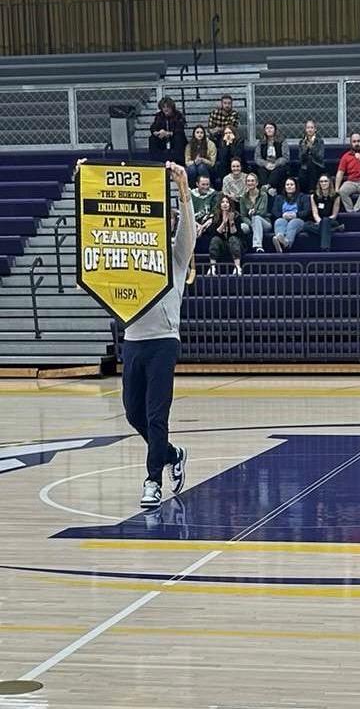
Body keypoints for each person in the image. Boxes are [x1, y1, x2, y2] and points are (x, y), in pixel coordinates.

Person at [122, 161, 195, 509]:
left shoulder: (177, 257)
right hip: (133, 339)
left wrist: (183, 187)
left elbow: (189, 231)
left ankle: (152, 481)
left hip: (164, 341)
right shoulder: (130, 255)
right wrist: (84, 187)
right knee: (133, 414)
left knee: (155, 415)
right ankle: (172, 453)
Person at [304, 174, 342, 251]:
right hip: (319, 221)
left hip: (331, 221)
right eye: (321, 181)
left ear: (329, 183)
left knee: (325, 220)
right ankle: (334, 229)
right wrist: (320, 222)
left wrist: (324, 222)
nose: (323, 183)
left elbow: (334, 215)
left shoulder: (336, 196)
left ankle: (325, 248)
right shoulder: (313, 196)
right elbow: (315, 213)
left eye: (325, 181)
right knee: (305, 225)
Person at [207, 195, 243, 276]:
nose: (225, 204)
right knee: (215, 240)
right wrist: (223, 223)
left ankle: (237, 267)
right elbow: (214, 233)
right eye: (223, 202)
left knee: (233, 239)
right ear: (219, 204)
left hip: (235, 243)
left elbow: (236, 234)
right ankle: (212, 267)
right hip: (222, 243)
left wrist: (231, 221)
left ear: (230, 205)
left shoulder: (236, 216)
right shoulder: (216, 216)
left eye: (227, 202)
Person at [271, 177, 310, 252]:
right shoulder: (279, 198)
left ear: (296, 186)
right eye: (287, 184)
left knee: (293, 222)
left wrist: (296, 215)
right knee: (279, 221)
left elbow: (307, 211)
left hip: (298, 220)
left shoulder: (303, 197)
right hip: (284, 219)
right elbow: (274, 211)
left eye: (291, 184)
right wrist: (282, 215)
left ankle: (287, 242)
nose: (289, 186)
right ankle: (279, 238)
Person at [254, 121, 290, 196]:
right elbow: (257, 157)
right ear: (264, 130)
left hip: (278, 165)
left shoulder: (282, 141)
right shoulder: (261, 142)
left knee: (277, 171)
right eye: (267, 128)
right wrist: (266, 164)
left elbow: (286, 157)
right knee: (261, 170)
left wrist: (275, 164)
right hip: (265, 165)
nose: (269, 130)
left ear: (275, 130)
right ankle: (270, 190)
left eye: (271, 128)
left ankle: (267, 187)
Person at [148, 97, 187, 165]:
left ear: (172, 107)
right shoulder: (159, 115)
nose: (166, 109)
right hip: (162, 139)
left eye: (168, 107)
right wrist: (157, 133)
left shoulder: (178, 115)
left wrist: (168, 133)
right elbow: (153, 128)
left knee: (179, 137)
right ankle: (155, 161)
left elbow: (180, 129)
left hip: (174, 138)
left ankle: (178, 160)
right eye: (163, 107)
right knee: (152, 139)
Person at [240, 173, 271, 253]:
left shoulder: (263, 195)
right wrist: (251, 224)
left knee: (256, 218)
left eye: (252, 181)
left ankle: (258, 246)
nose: (250, 183)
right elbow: (243, 216)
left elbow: (263, 212)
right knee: (242, 227)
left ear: (257, 183)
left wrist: (254, 213)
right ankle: (242, 249)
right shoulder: (243, 198)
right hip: (250, 223)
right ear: (246, 183)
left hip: (264, 222)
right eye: (248, 181)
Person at [297, 119, 326, 194]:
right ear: (305, 129)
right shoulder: (302, 142)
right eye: (308, 128)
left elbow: (320, 157)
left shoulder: (320, 141)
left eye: (311, 127)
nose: (310, 130)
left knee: (311, 162)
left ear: (315, 129)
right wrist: (306, 148)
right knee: (302, 173)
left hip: (317, 166)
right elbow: (301, 158)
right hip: (305, 167)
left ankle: (312, 190)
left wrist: (311, 148)